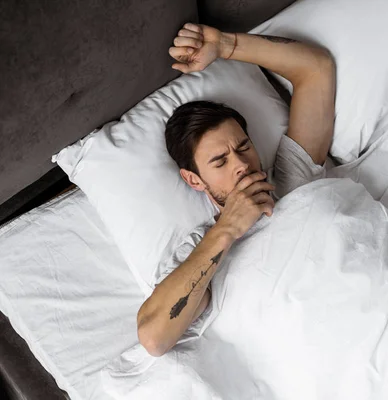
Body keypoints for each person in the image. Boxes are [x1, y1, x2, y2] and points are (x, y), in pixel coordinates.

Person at [136, 23, 336, 357]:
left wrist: (226, 44)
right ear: (194, 180)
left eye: (243, 146)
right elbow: (154, 337)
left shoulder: (290, 177)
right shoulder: (197, 250)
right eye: (219, 161)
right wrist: (227, 228)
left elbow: (317, 69)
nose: (241, 164)